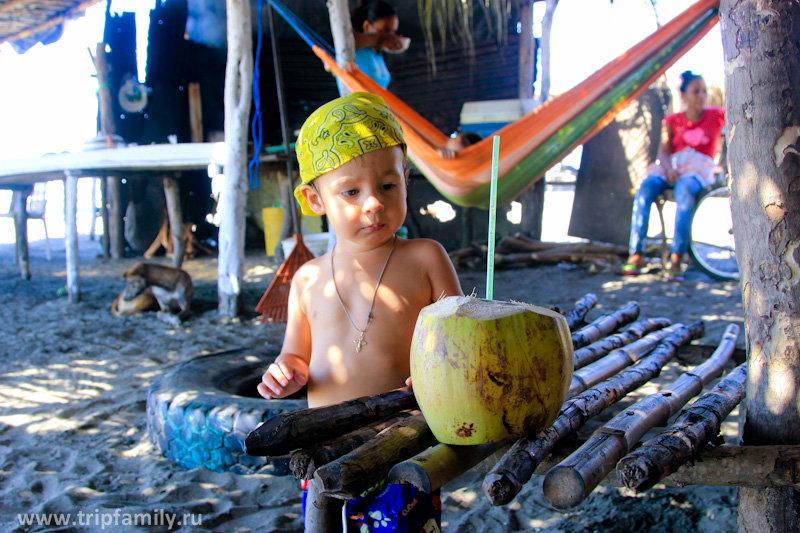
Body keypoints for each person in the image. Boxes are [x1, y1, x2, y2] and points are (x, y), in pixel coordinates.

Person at [257, 92, 463, 531]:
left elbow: (457, 340)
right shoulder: (308, 278)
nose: (373, 203)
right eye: (350, 191)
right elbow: (295, 356)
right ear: (315, 200)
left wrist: (438, 370)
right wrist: (284, 373)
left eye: (388, 186)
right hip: (326, 448)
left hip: (404, 442)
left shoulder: (427, 257)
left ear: (406, 178)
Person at [621, 70, 725, 281]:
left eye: (704, 91)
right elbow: (663, 153)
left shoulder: (716, 116)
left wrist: (724, 164)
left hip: (697, 171)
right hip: (673, 167)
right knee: (646, 186)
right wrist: (668, 169)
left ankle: (676, 256)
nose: (701, 96)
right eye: (696, 91)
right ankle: (637, 253)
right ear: (683, 95)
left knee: (684, 188)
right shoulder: (672, 121)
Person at [336, 1, 409, 95]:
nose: (391, 36)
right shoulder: (354, 50)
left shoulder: (377, 53)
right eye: (385, 30)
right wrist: (381, 39)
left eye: (393, 32)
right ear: (366, 26)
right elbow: (346, 42)